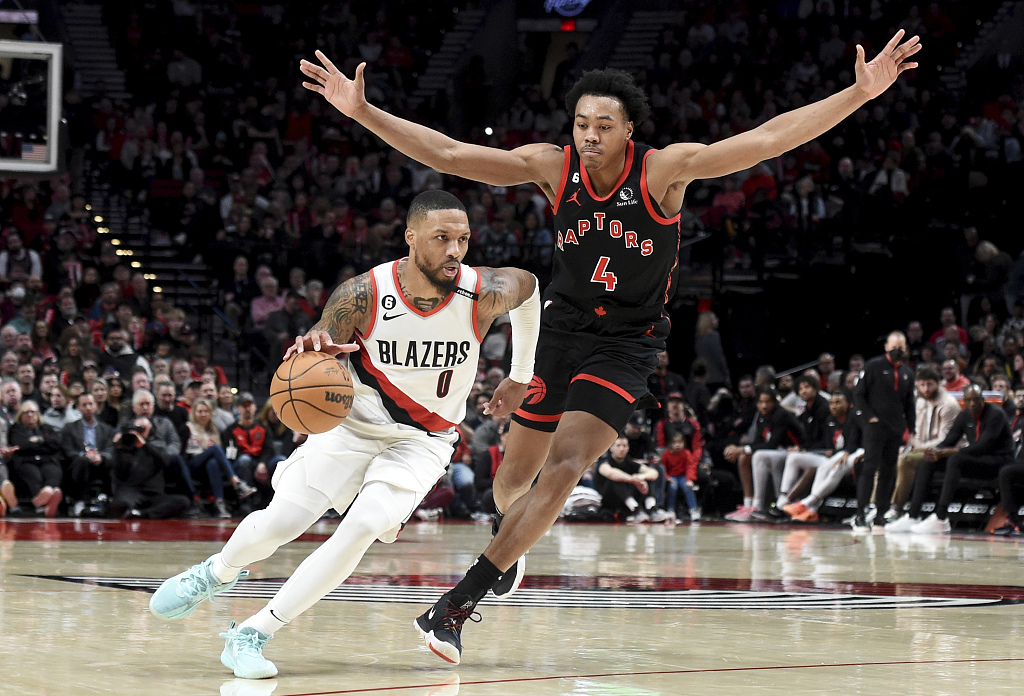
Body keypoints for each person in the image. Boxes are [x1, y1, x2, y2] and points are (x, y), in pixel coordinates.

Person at [300, 29, 922, 663]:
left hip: (627, 342)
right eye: (580, 122)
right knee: (510, 484)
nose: (588, 134)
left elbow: (764, 141)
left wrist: (858, 93)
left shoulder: (664, 171)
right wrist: (363, 111)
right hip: (561, 331)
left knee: (566, 467)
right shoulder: (553, 167)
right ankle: (508, 549)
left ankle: (458, 602)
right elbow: (454, 155)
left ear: (629, 130)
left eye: (603, 124)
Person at [148, 190, 540, 678]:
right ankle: (217, 572)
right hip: (352, 425)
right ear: (411, 237)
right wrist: (311, 347)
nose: (455, 250)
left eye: (462, 239)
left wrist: (520, 374)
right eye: (442, 238)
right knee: (280, 524)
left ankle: (253, 633)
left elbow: (532, 289)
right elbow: (320, 341)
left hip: (423, 440)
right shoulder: (363, 293)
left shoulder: (483, 290)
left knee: (360, 527)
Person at [886, 384, 1014, 534]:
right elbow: (949, 440)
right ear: (964, 402)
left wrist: (946, 452)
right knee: (929, 461)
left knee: (955, 459)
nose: (973, 404)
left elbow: (982, 446)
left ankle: (941, 518)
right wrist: (934, 452)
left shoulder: (995, 414)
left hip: (998, 462)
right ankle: (913, 515)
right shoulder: (965, 415)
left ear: (983, 400)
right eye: (969, 400)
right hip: (977, 460)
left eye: (976, 400)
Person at [851, 331, 916, 532]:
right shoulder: (873, 366)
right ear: (886, 346)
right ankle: (860, 514)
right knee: (869, 469)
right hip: (875, 428)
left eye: (902, 346)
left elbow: (909, 405)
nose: (899, 349)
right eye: (895, 345)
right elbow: (858, 395)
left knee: (889, 472)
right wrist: (869, 418)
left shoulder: (907, 372)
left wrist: (912, 430)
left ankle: (880, 514)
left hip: (895, 429)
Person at [781, 389, 864, 522]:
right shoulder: (830, 419)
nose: (834, 406)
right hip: (837, 455)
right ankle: (805, 509)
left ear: (849, 404)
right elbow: (828, 448)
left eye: (838, 403)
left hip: (856, 453)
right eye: (831, 403)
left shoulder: (854, 416)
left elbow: (854, 442)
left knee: (838, 464)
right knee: (822, 466)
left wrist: (846, 452)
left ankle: (807, 503)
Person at [890, 366, 961, 517]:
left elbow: (944, 440)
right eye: (922, 385)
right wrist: (912, 444)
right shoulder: (921, 402)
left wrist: (917, 447)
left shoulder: (949, 404)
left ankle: (896, 507)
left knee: (906, 460)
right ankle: (875, 505)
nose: (926, 388)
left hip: (946, 452)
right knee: (887, 458)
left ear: (939, 384)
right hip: (925, 448)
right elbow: (917, 433)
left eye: (930, 384)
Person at [184, 397, 254, 518]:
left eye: (206, 411)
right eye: (200, 411)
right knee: (215, 449)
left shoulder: (214, 430)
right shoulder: (188, 427)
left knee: (213, 463)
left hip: (208, 468)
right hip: (193, 463)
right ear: (194, 413)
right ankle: (236, 482)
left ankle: (219, 504)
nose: (203, 414)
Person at [62, 392, 116, 516]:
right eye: (84, 405)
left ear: (96, 406)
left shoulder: (107, 429)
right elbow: (67, 450)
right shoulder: (70, 428)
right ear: (79, 408)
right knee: (82, 461)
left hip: (100, 461)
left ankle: (110, 498)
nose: (88, 408)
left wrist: (100, 456)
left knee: (110, 459)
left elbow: (110, 448)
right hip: (80, 462)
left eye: (91, 404)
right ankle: (80, 501)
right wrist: (84, 455)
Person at [8, 400, 64, 517]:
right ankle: (45, 502)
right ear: (20, 415)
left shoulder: (46, 428)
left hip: (46, 460)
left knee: (53, 471)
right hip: (26, 461)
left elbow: (56, 444)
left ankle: (47, 494)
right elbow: (21, 446)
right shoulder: (16, 429)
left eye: (33, 412)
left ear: (38, 414)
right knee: (34, 475)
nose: (30, 415)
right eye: (26, 412)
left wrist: (39, 440)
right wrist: (43, 445)